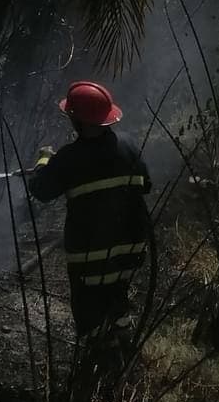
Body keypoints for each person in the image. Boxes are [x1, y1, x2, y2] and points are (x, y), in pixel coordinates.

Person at [30, 81, 152, 354]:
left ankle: (100, 360)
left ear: (78, 120)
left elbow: (41, 190)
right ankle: (122, 346)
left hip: (91, 257)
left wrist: (44, 161)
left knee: (90, 311)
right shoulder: (129, 145)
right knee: (117, 295)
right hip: (131, 252)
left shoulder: (69, 157)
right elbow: (146, 186)